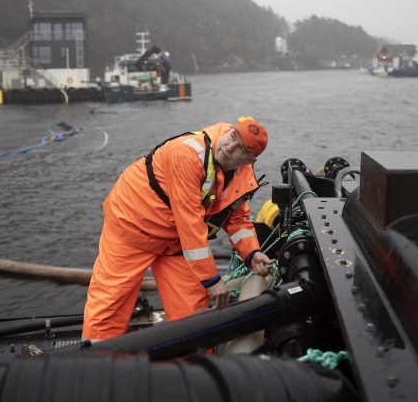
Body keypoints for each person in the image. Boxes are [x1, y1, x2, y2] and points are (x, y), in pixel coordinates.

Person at [83, 118, 275, 341]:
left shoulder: (241, 175)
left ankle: (189, 367)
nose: (229, 147)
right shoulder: (187, 154)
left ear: (250, 160)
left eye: (241, 149)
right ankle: (97, 363)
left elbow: (238, 218)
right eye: (233, 138)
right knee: (110, 304)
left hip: (173, 240)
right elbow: (190, 224)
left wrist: (252, 253)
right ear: (230, 131)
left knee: (193, 311)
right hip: (132, 227)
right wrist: (212, 280)